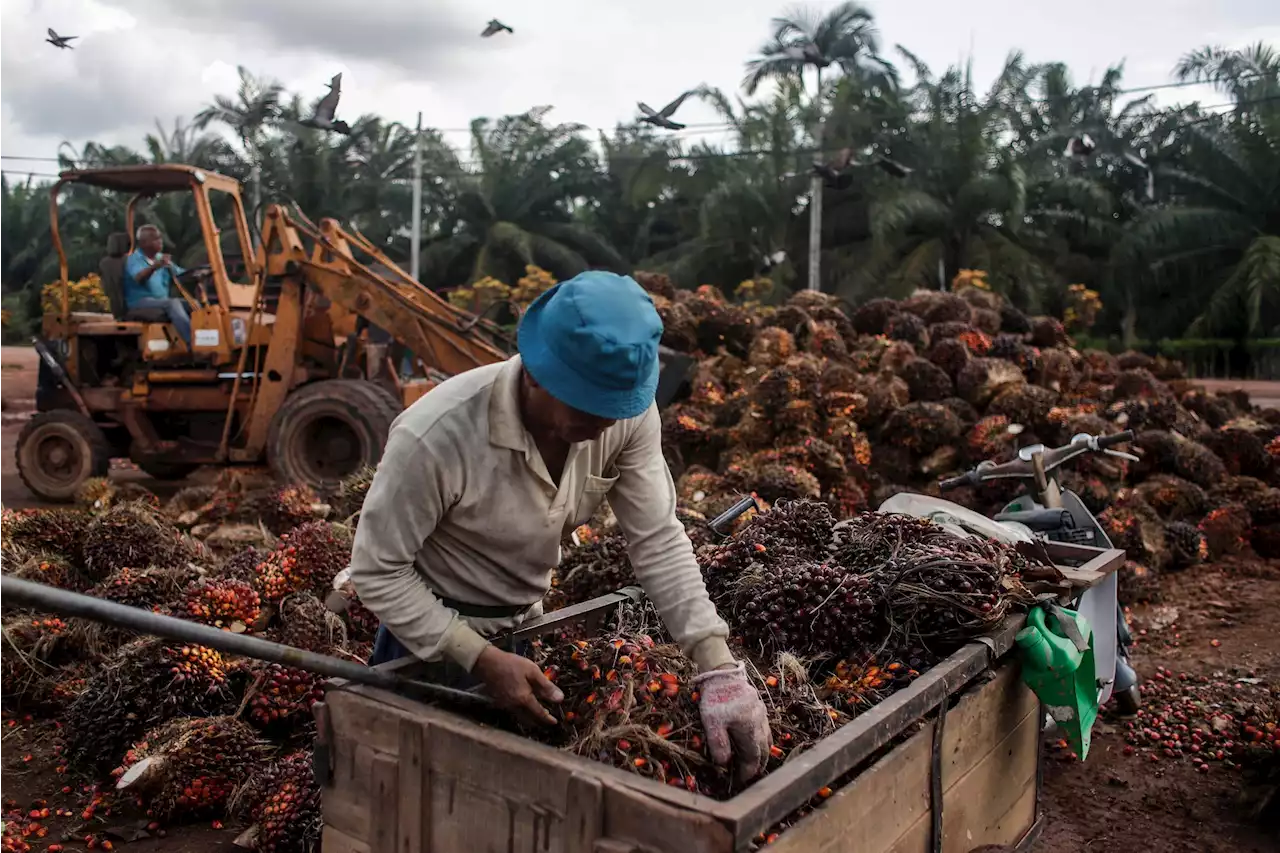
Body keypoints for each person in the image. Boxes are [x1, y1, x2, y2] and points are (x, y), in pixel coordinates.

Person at [349, 270, 773, 778]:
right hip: (428, 639)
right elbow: (378, 572)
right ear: (535, 372)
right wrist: (478, 657)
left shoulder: (626, 414)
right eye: (588, 407)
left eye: (617, 408)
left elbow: (658, 538)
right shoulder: (435, 436)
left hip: (528, 628)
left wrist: (716, 664)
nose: (605, 425)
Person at [123, 224, 192, 345]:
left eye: (160, 238)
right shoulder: (133, 259)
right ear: (144, 243)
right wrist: (155, 267)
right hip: (140, 302)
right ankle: (192, 342)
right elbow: (139, 278)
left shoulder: (160, 258)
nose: (161, 241)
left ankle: (209, 338)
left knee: (193, 304)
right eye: (156, 239)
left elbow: (181, 274)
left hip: (160, 301)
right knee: (172, 303)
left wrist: (200, 272)